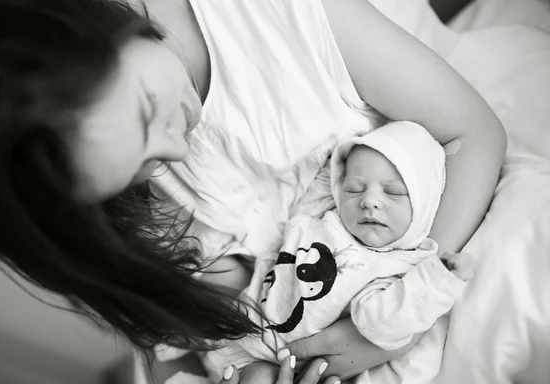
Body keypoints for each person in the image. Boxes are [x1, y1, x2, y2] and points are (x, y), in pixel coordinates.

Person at [0, 0, 506, 383]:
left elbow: (473, 133)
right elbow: (183, 342)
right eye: (138, 167)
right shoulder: (101, 202)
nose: (171, 150)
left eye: (148, 112)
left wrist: (401, 313)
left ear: (103, 29)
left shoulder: (264, 0)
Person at [202, 121, 473, 384]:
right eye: (355, 189)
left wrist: (439, 279)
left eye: (393, 193)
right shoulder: (321, 217)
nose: (368, 201)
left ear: (424, 209)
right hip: (232, 319)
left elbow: (386, 321)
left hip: (278, 363)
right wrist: (336, 151)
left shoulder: (395, 266)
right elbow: (326, 180)